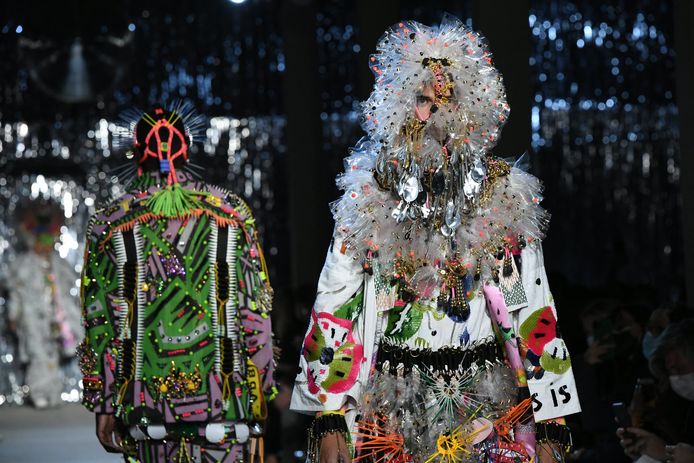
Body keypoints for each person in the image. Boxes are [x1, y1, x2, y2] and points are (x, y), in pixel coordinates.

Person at [290, 15, 581, 463]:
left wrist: (550, 421)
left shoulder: (503, 196)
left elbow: (532, 304)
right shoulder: (370, 197)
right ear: (401, 105)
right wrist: (328, 415)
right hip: (392, 409)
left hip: (486, 407)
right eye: (423, 100)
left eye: (448, 101)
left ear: (470, 109)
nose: (434, 115)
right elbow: (336, 297)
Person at [78, 105, 276, 462]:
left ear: (137, 153)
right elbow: (255, 309)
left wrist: (103, 401)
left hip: (145, 408)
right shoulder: (231, 213)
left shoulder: (110, 222)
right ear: (186, 149)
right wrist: (262, 388)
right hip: (226, 407)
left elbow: (101, 321)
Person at [6, 200, 82, 408]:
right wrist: (14, 315)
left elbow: (67, 290)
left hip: (55, 315)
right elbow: (17, 293)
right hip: (32, 315)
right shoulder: (24, 265)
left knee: (53, 354)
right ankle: (39, 391)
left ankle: (53, 391)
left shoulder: (57, 264)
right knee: (36, 352)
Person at [617, 319, 694, 463]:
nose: (678, 377)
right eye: (671, 371)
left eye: (681, 368)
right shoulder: (683, 412)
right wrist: (660, 453)